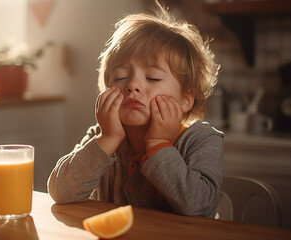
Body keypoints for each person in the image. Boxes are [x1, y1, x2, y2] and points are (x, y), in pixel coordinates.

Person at [47, 2, 223, 218]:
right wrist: (108, 138)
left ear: (186, 99)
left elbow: (201, 208)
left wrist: (159, 145)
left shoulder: (201, 140)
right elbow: (60, 192)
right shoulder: (102, 136)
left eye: (153, 78)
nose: (132, 85)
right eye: (120, 77)